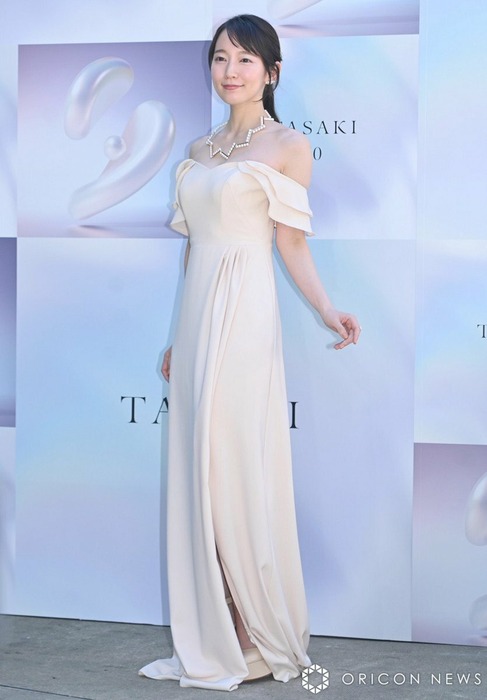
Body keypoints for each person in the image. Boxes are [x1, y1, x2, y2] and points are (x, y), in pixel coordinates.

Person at [139, 14, 361, 692]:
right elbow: (193, 249)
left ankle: (253, 632)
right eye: (220, 58)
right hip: (199, 314)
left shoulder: (288, 146)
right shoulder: (200, 149)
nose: (229, 71)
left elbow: (290, 242)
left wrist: (326, 309)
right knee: (199, 471)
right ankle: (216, 629)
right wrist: (179, 335)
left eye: (244, 59)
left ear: (272, 71)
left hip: (246, 313)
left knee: (233, 466)